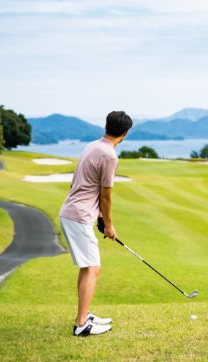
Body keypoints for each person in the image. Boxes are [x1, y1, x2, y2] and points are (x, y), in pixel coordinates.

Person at [59, 111, 132, 337]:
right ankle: (82, 324)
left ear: (107, 126)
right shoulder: (110, 155)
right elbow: (106, 194)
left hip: (73, 212)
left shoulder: (93, 145)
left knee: (87, 267)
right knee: (93, 268)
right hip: (79, 216)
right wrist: (108, 224)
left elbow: (83, 182)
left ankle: (84, 315)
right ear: (126, 133)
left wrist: (98, 215)